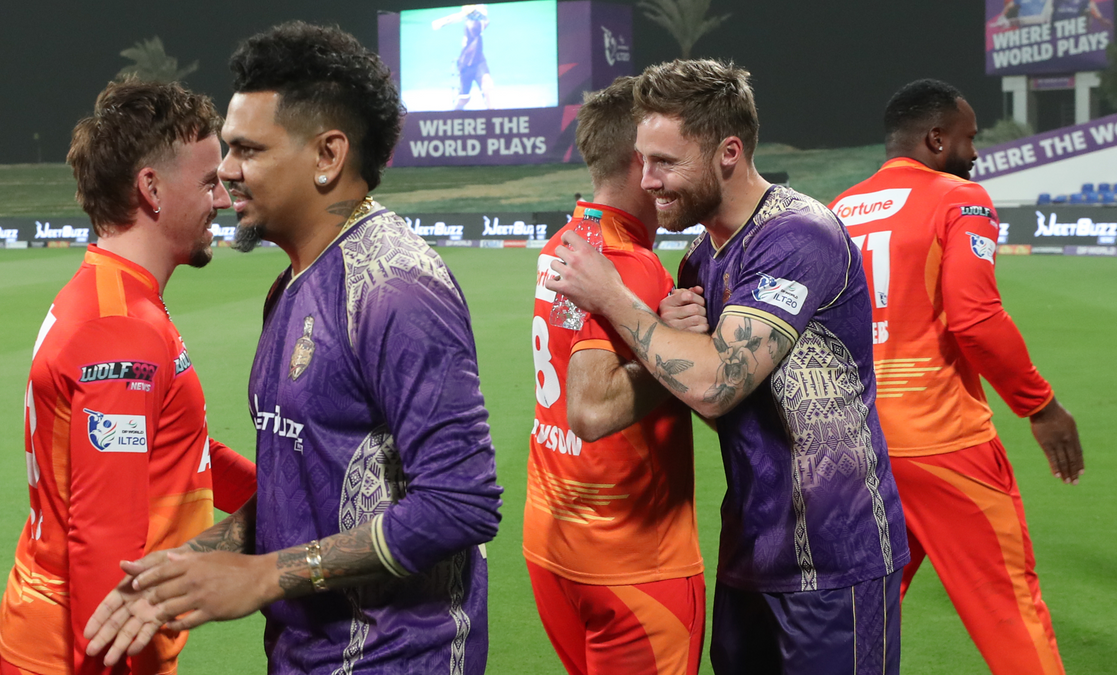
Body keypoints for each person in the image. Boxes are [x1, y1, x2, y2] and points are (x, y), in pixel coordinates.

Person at [83, 22, 503, 675]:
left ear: (327, 155)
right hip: (304, 656)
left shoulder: (396, 290)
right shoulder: (292, 283)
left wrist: (263, 577)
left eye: (247, 150)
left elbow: (461, 503)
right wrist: (194, 558)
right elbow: (302, 490)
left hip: (396, 659)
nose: (225, 171)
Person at [546, 59, 910, 675]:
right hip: (750, 553)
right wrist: (668, 340)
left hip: (834, 557)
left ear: (728, 153)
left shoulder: (797, 237)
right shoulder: (698, 261)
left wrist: (612, 297)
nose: (648, 180)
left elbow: (715, 385)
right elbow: (717, 403)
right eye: (643, 161)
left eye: (666, 162)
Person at [0, 80, 257, 675]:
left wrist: (280, 494)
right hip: (75, 654)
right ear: (151, 189)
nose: (221, 199)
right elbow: (103, 548)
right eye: (208, 182)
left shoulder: (115, 297)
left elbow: (175, 445)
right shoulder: (121, 332)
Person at [829, 79, 1083, 675]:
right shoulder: (959, 198)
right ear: (936, 139)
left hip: (856, 447)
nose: (975, 153)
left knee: (856, 621)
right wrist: (1040, 406)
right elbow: (976, 319)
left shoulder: (838, 210)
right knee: (1006, 606)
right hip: (943, 442)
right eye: (969, 138)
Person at [525, 77, 705, 675]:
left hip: (553, 541)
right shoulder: (630, 263)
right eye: (667, 155)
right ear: (640, 161)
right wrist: (678, 347)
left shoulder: (565, 243)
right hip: (633, 558)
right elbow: (592, 409)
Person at [433, 4, 495, 110]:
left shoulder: (479, 21)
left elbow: (485, 20)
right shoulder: (472, 26)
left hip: (479, 61)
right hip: (465, 64)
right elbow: (477, 27)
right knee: (464, 99)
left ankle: (493, 113)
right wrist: (470, 14)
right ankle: (455, 114)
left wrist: (473, 13)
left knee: (487, 85)